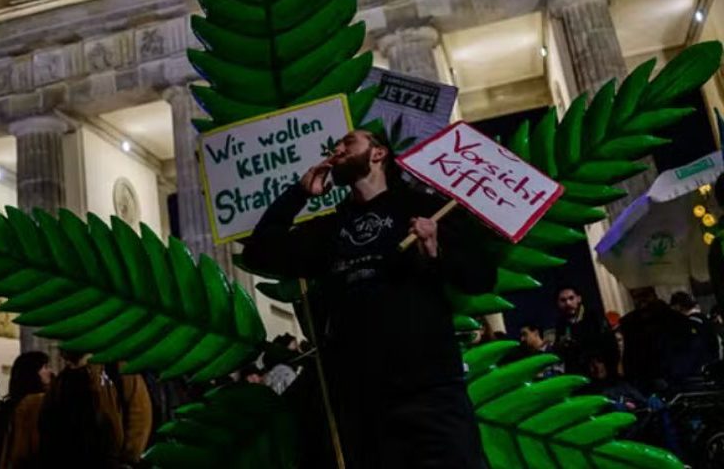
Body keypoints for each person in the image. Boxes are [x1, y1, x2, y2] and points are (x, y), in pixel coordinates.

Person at [244, 128, 499, 468]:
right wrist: (297, 194)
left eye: (348, 141)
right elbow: (259, 254)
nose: (338, 147)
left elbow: (481, 276)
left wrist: (436, 252)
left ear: (378, 153)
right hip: (361, 401)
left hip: (429, 392)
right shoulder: (330, 229)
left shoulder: (427, 209)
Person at [41, 350, 153, 468]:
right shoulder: (61, 381)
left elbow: (139, 412)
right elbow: (48, 425)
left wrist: (129, 457)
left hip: (110, 460)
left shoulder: (114, 368)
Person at [620, 287, 689, 392]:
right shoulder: (629, 323)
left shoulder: (673, 319)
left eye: (644, 295)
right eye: (636, 296)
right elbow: (629, 355)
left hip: (673, 378)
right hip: (645, 381)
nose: (641, 300)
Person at [0, 351, 53, 469]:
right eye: (45, 367)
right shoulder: (36, 402)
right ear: (32, 372)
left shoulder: (10, 404)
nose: (49, 371)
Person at [554, 285, 618, 376]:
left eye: (571, 298)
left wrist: (603, 363)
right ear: (558, 303)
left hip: (603, 372)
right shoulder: (561, 324)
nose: (568, 303)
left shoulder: (594, 317)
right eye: (563, 300)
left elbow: (610, 344)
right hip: (579, 376)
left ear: (579, 299)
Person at [668, 291, 721, 378]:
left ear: (677, 306)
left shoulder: (691, 323)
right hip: (710, 365)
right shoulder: (702, 319)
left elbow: (695, 347)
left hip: (700, 369)